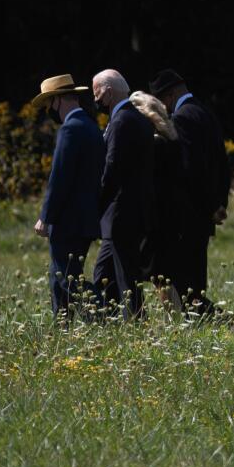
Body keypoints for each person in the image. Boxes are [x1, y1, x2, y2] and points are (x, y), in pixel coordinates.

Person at [147, 69, 229, 317]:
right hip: (205, 210)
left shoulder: (182, 118)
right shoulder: (205, 113)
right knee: (194, 277)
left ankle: (215, 320)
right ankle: (200, 321)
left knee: (183, 280)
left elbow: (192, 169)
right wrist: (219, 203)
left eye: (161, 101)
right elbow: (221, 164)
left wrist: (206, 204)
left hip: (188, 212)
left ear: (169, 96)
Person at [32, 74, 101, 320]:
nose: (49, 111)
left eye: (49, 105)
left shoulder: (70, 129)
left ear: (59, 100)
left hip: (68, 220)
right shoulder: (91, 126)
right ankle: (62, 327)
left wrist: (46, 217)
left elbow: (59, 178)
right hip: (86, 219)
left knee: (67, 277)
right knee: (57, 275)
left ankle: (105, 315)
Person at [91, 69, 154, 321]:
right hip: (130, 212)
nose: (95, 98)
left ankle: (135, 322)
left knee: (126, 275)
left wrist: (96, 202)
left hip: (120, 213)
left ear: (107, 91)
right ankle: (110, 320)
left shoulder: (121, 121)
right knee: (104, 273)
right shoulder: (138, 119)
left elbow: (112, 168)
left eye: (96, 91)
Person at [128, 90, 189, 314]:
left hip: (156, 217)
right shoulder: (172, 139)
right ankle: (177, 316)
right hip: (171, 215)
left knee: (159, 276)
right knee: (164, 274)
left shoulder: (154, 145)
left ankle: (175, 318)